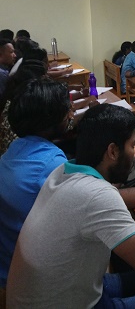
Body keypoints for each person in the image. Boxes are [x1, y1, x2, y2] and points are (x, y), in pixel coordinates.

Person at [6, 104, 135, 308]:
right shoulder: (96, 195)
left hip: (53, 293)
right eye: (132, 146)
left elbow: (118, 197)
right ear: (113, 151)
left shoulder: (63, 172)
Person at [0, 78, 72, 289]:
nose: (70, 114)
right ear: (49, 119)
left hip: (10, 267)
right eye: (66, 110)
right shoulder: (51, 163)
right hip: (38, 282)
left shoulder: (15, 148)